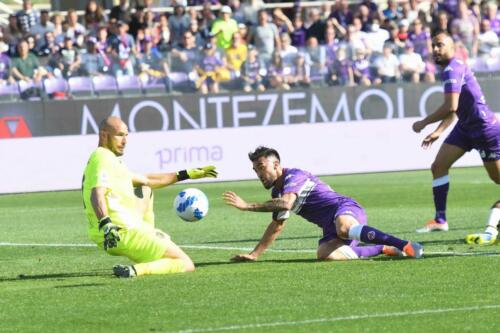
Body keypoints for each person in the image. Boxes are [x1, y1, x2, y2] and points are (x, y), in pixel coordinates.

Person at [223, 146, 423, 262]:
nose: (259, 174)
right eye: (255, 170)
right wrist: (254, 255)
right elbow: (277, 225)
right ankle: (383, 248)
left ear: (276, 165)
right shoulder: (277, 191)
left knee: (344, 227)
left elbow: (286, 204)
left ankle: (405, 245)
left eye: (261, 167)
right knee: (325, 254)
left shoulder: (294, 175)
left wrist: (247, 206)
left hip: (345, 209)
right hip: (330, 227)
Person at [82, 116, 218, 278]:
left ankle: (148, 234)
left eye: (126, 135)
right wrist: (106, 224)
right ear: (104, 135)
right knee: (185, 263)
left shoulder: (110, 161)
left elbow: (148, 180)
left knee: (145, 189)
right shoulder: (103, 156)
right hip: (120, 231)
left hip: (107, 235)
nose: (125, 141)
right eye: (119, 135)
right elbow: (96, 193)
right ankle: (137, 270)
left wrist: (186, 174)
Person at [412, 32, 500, 234]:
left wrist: (424, 123)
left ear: (452, 47)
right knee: (438, 166)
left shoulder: (453, 69)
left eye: (440, 45)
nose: (435, 49)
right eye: (433, 45)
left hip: (484, 129)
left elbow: (450, 106)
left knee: (497, 179)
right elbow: (456, 109)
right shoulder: (452, 69)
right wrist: (438, 131)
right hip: (465, 127)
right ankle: (440, 220)